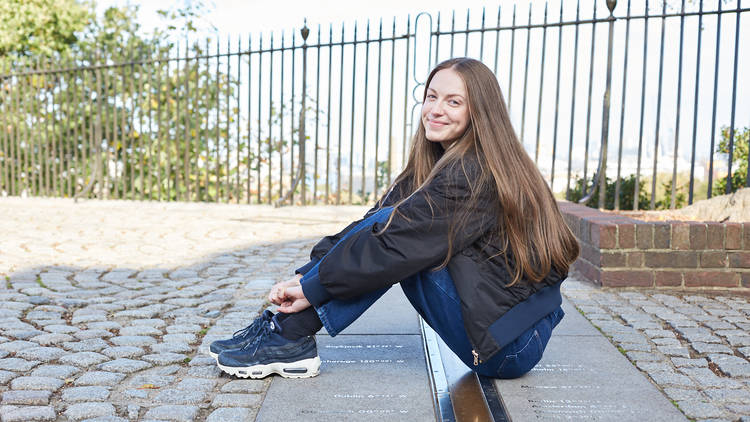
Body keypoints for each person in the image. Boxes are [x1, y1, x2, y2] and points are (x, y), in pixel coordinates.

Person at [209, 57, 580, 380]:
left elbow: (392, 243)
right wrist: (308, 276)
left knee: (400, 246)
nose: (435, 109)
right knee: (389, 224)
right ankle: (284, 328)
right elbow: (374, 221)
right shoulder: (438, 162)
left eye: (453, 102)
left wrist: (313, 290)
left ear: (479, 113)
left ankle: (290, 336)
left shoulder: (474, 175)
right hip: (506, 320)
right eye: (432, 97)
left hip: (512, 342)